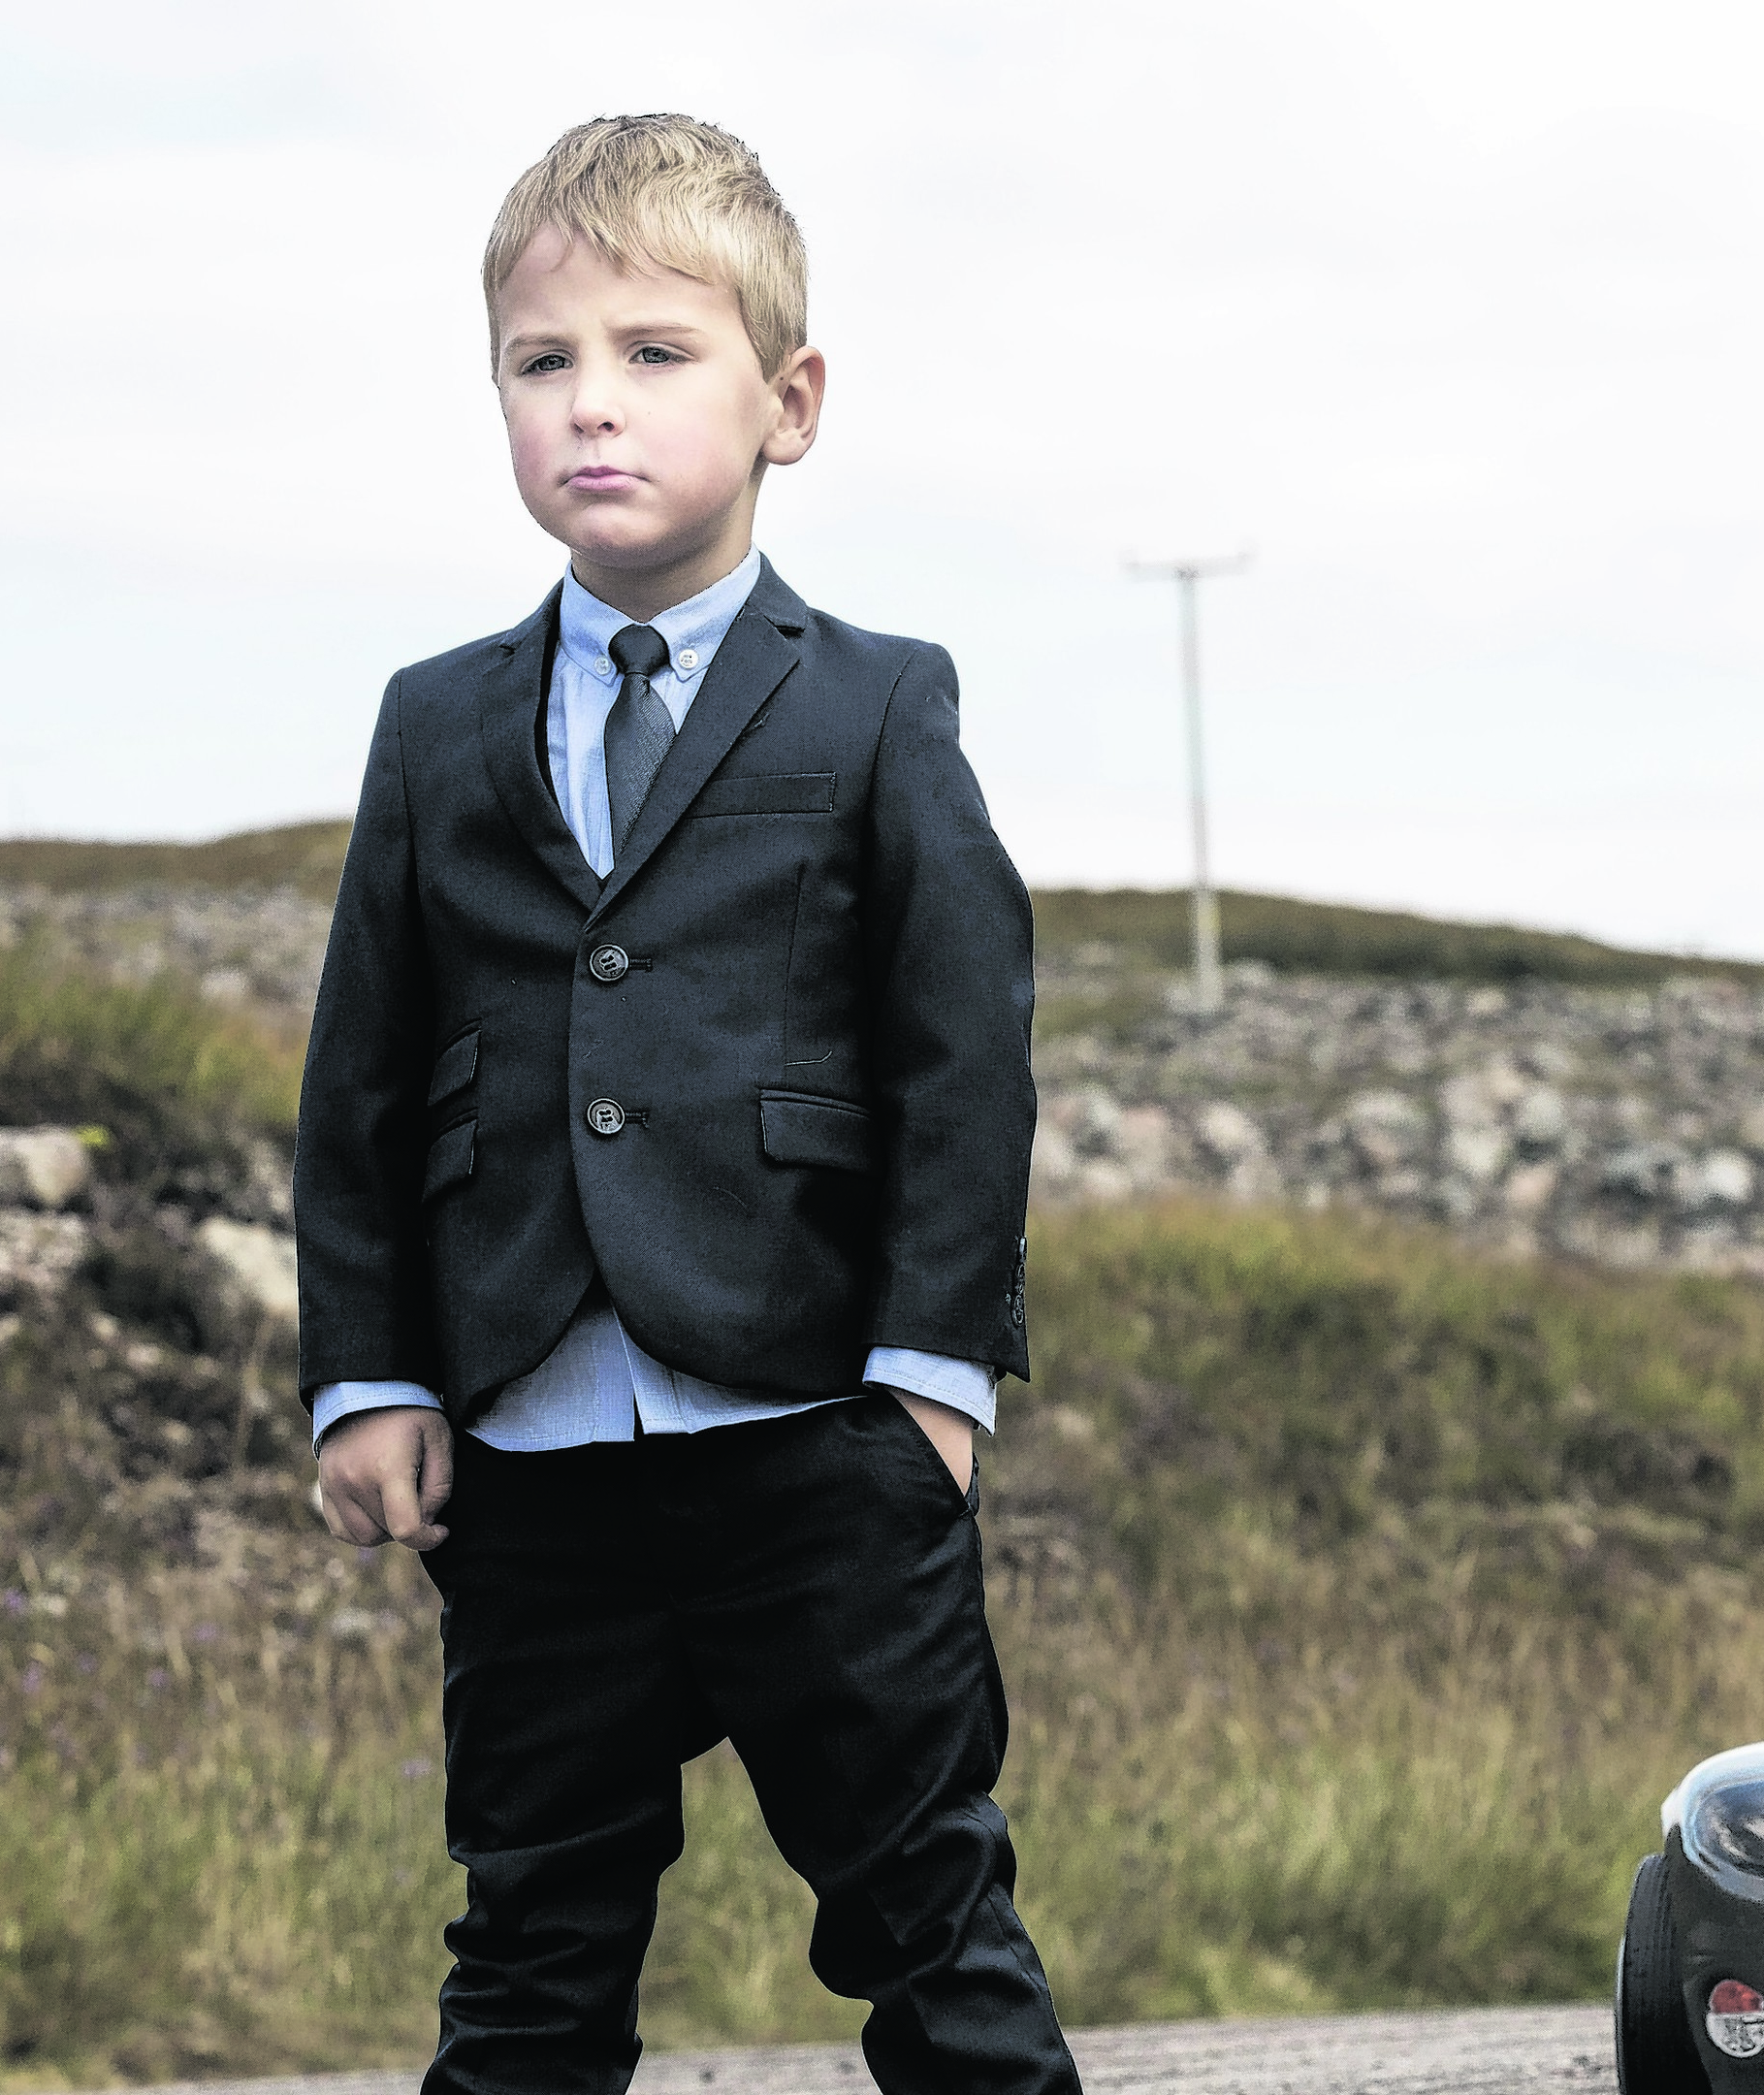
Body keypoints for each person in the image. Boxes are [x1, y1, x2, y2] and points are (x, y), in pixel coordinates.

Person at [291, 112, 1075, 2095]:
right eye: (542, 364)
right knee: (532, 1944)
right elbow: (364, 1075)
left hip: (817, 1431)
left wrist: (931, 1391)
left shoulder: (878, 702)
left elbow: (960, 1058)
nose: (591, 409)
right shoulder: (436, 721)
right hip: (532, 1451)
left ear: (786, 401)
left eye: (655, 355)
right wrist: (369, 1376)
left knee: (926, 1922)